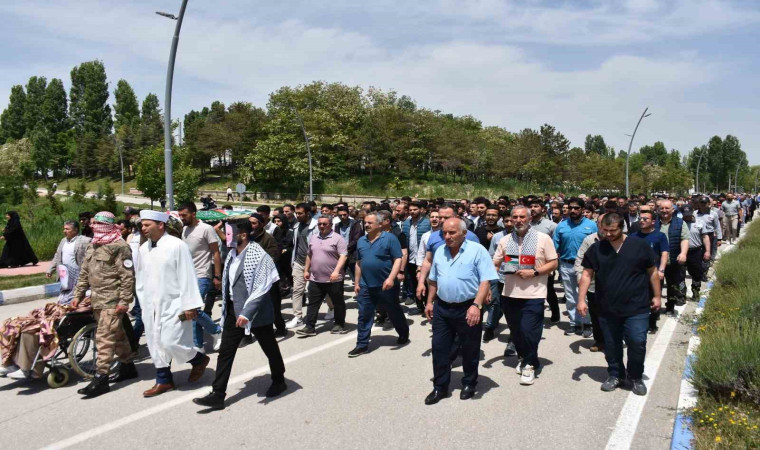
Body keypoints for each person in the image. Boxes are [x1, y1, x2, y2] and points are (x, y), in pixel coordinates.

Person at [192, 221, 286, 410]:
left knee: (269, 348)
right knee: (226, 352)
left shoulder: (259, 256)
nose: (224, 238)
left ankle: (279, 379)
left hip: (256, 313)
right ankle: (218, 394)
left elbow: (262, 287)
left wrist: (247, 312)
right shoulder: (231, 254)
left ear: (242, 235)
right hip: (233, 311)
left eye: (228, 234)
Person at [579, 213, 661, 396]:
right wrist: (581, 300)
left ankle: (635, 376)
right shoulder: (596, 249)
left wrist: (657, 296)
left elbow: (652, 272)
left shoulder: (639, 246)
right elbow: (586, 274)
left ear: (622, 228)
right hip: (607, 307)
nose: (608, 234)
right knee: (611, 344)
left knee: (637, 341)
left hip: (637, 306)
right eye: (604, 230)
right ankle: (615, 374)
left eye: (612, 230)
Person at [136, 210, 210, 397]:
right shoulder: (143, 249)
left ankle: (198, 359)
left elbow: (187, 276)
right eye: (142, 225)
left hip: (174, 303)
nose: (143, 228)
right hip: (151, 305)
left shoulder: (177, 245)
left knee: (170, 341)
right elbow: (140, 278)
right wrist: (142, 302)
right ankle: (164, 380)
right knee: (154, 342)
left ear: (160, 225)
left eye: (147, 225)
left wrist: (191, 304)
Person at [424, 217, 497, 404]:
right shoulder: (439, 251)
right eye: (444, 233)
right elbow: (433, 279)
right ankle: (440, 387)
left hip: (468, 307)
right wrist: (430, 302)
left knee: (470, 348)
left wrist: (477, 305)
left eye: (452, 232)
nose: (447, 236)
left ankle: (469, 383)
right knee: (439, 348)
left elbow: (485, 280)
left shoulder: (477, 250)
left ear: (464, 233)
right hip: (442, 307)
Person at [71, 211, 137, 398]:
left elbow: (127, 276)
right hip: (97, 300)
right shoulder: (94, 245)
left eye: (97, 224)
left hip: (112, 300)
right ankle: (127, 366)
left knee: (104, 337)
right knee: (116, 334)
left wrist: (124, 301)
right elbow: (85, 272)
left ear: (106, 225)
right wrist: (78, 294)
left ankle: (101, 378)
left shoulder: (120, 247)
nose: (93, 227)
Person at [492, 206, 557, 385]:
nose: (518, 220)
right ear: (510, 219)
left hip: (534, 294)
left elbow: (553, 263)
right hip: (509, 293)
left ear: (529, 219)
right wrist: (488, 285)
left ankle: (529, 365)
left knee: (530, 330)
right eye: (515, 217)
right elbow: (496, 262)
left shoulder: (543, 239)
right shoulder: (505, 240)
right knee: (517, 331)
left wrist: (534, 272)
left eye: (522, 217)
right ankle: (526, 357)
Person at [349, 212, 409, 358]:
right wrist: (357, 282)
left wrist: (391, 278)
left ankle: (403, 333)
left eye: (370, 222)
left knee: (393, 311)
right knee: (364, 315)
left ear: (380, 224)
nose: (366, 225)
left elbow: (397, 259)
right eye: (365, 222)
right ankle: (362, 344)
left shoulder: (390, 238)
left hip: (386, 285)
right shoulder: (361, 241)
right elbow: (359, 263)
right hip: (365, 286)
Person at [178, 202, 223, 352]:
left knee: (193, 309)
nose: (182, 218)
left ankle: (216, 330)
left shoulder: (206, 228)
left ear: (193, 214)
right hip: (187, 276)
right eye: (180, 215)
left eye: (184, 215)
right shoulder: (184, 229)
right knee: (190, 311)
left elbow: (216, 252)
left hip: (202, 274)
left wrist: (217, 276)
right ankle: (198, 345)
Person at [298, 215, 349, 336]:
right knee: (313, 303)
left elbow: (343, 255)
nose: (321, 226)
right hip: (315, 278)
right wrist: (306, 270)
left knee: (338, 302)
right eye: (319, 224)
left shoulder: (338, 239)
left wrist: (336, 271)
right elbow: (309, 255)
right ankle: (310, 327)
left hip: (333, 279)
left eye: (324, 224)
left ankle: (339, 324)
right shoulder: (314, 238)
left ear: (330, 225)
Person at [553, 198, 597, 336]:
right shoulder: (561, 226)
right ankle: (575, 323)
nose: (573, 210)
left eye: (576, 208)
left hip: (586, 268)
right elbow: (555, 247)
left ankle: (588, 323)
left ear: (583, 209)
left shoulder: (591, 225)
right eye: (571, 207)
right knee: (571, 296)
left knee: (586, 295)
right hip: (566, 265)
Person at [630, 210, 669, 333]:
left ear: (653, 222)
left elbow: (664, 253)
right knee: (637, 298)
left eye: (645, 219)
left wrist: (661, 270)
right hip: (637, 274)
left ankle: (652, 323)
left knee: (653, 298)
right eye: (640, 218)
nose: (642, 221)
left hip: (654, 274)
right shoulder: (633, 237)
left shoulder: (660, 236)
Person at [249, 213, 287, 336]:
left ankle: (280, 327)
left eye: (254, 223)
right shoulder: (248, 237)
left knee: (273, 306)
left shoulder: (268, 239)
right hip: (251, 278)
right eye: (250, 223)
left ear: (261, 224)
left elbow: (272, 258)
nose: (251, 225)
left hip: (267, 278)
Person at [574, 214, 606, 352]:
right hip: (593, 285)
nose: (604, 226)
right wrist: (580, 279)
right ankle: (599, 341)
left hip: (616, 286)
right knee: (596, 315)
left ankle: (615, 338)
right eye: (600, 223)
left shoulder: (624, 240)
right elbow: (580, 260)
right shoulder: (590, 240)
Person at [527, 197, 560, 323]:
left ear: (544, 209)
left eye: (536, 206)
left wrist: (552, 265)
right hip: (527, 262)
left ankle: (555, 312)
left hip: (546, 264)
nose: (533, 209)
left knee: (548, 290)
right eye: (531, 206)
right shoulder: (525, 224)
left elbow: (555, 247)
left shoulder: (551, 226)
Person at [286, 203, 318, 329]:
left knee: (322, 290)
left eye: (300, 213)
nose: (297, 215)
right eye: (296, 213)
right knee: (297, 290)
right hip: (299, 262)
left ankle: (332, 308)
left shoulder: (316, 226)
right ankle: (298, 317)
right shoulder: (296, 226)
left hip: (315, 262)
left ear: (308, 213)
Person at [656, 200, 689, 315]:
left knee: (672, 286)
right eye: (662, 208)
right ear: (658, 209)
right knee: (655, 286)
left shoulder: (680, 223)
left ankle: (670, 306)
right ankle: (655, 307)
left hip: (673, 260)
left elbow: (685, 239)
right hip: (656, 261)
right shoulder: (653, 223)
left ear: (673, 210)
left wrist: (683, 253)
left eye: (667, 208)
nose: (664, 211)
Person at [47, 220, 91, 305]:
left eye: (67, 229)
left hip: (78, 275)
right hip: (65, 274)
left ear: (75, 230)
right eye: (64, 229)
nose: (64, 231)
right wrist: (50, 269)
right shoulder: (63, 241)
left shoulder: (85, 241)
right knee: (65, 299)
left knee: (78, 296)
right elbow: (57, 256)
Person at [402, 201, 431, 311]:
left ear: (421, 210)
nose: (413, 212)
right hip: (409, 259)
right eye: (411, 210)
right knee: (412, 283)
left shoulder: (427, 223)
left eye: (415, 209)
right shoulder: (406, 223)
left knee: (424, 283)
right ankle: (419, 305)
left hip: (423, 260)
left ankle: (427, 303)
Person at [681, 206, 710, 301]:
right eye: (685, 215)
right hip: (681, 252)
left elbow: (705, 237)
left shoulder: (700, 223)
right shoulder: (678, 223)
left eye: (689, 214)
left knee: (697, 273)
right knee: (680, 274)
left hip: (695, 251)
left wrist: (707, 251)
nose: (687, 216)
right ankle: (681, 295)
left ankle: (696, 292)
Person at [334, 206, 362, 282]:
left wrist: (346, 248)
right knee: (339, 277)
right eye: (340, 215)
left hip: (352, 254)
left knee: (356, 277)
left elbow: (356, 239)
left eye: (344, 215)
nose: (342, 217)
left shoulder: (355, 224)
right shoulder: (337, 226)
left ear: (348, 214)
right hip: (341, 255)